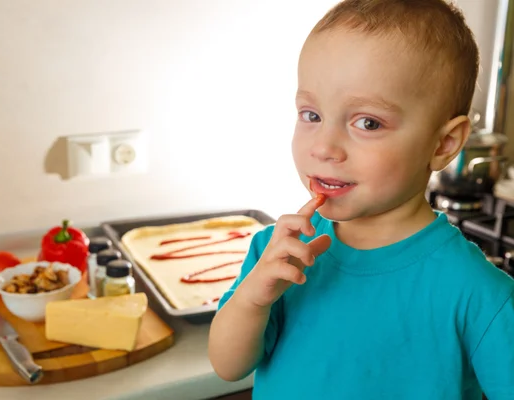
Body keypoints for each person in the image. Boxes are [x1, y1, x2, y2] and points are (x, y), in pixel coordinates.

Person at [208, 0, 514, 398]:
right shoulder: (278, 255)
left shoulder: (477, 292)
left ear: (443, 143)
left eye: (367, 122)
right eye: (311, 115)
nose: (324, 147)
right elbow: (228, 367)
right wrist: (252, 300)